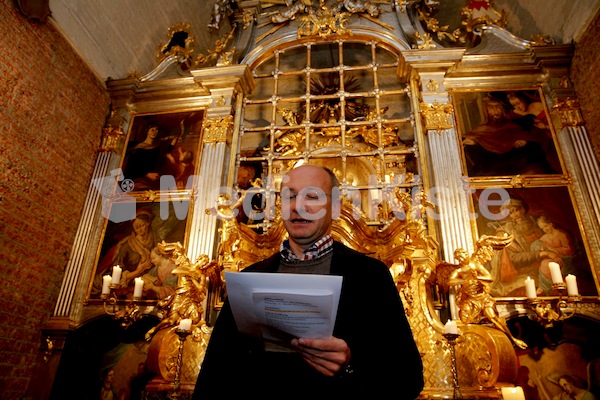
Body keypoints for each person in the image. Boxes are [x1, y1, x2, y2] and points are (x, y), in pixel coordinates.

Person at [192, 164, 424, 399]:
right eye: (289, 196)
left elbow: (408, 378)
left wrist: (350, 366)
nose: (298, 206)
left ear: (334, 208)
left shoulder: (370, 276)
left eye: (312, 196)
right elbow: (214, 377)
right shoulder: (248, 279)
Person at [462, 96, 557, 176]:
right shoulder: (482, 128)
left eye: (498, 107)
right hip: (497, 163)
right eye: (491, 108)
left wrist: (525, 141)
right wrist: (475, 141)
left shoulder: (511, 124)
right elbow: (478, 137)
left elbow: (529, 137)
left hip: (515, 161)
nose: (496, 111)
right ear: (486, 111)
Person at [536, 215, 576, 294]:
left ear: (551, 224)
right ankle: (547, 286)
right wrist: (542, 250)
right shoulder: (543, 238)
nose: (545, 229)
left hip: (564, 258)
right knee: (544, 264)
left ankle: (554, 285)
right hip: (551, 259)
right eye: (542, 228)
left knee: (547, 264)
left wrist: (553, 250)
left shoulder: (562, 235)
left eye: (545, 226)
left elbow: (569, 250)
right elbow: (542, 251)